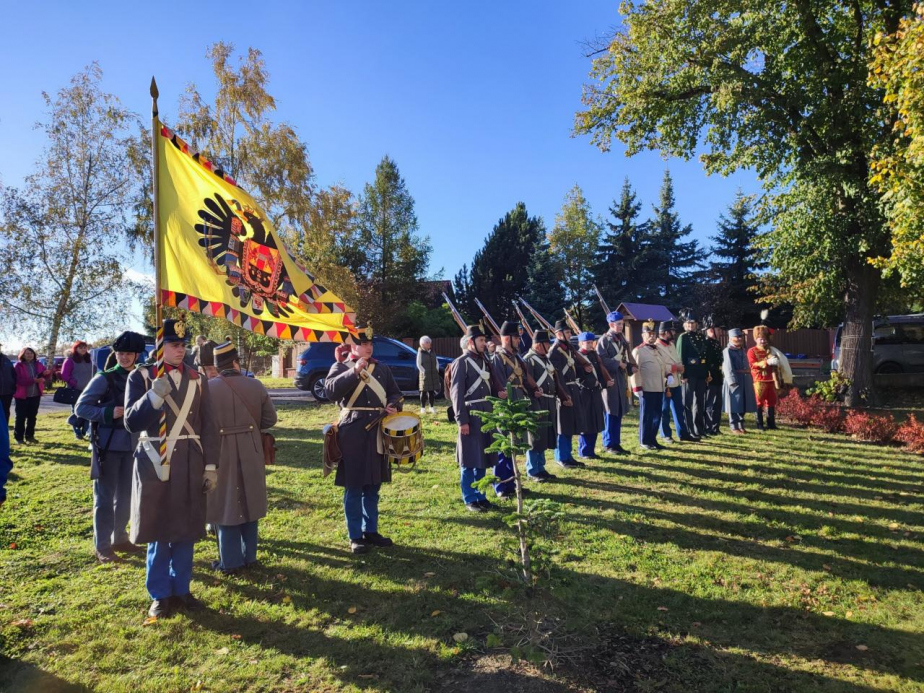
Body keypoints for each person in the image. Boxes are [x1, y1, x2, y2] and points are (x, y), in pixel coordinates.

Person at [124, 318, 219, 619]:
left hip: (190, 459)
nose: (181, 349)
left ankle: (182, 589)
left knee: (186, 528)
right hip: (154, 458)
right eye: (174, 344)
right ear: (160, 346)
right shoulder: (140, 376)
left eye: (183, 344)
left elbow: (209, 426)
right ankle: (160, 594)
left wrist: (211, 466)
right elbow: (130, 423)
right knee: (158, 529)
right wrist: (152, 396)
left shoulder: (197, 378)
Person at [324, 323, 403, 553]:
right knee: (354, 485)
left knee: (373, 485)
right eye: (363, 343)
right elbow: (330, 392)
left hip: (377, 431)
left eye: (369, 344)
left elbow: (396, 393)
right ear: (353, 345)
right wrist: (354, 371)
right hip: (353, 432)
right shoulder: (341, 366)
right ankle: (355, 535)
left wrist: (394, 406)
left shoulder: (382, 369)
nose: (368, 348)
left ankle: (372, 530)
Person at [76, 331, 147, 563]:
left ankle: (120, 537)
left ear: (137, 355)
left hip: (133, 444)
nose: (124, 357)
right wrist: (108, 412)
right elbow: (81, 408)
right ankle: (103, 545)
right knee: (105, 498)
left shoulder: (142, 377)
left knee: (127, 495)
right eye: (120, 353)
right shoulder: (103, 378)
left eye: (128, 353)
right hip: (107, 445)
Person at [207, 341, 277, 573]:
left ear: (216, 366)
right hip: (252, 447)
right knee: (251, 499)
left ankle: (231, 561)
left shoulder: (207, 388)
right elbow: (270, 420)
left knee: (223, 502)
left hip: (219, 449)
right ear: (236, 362)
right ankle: (250, 556)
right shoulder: (255, 385)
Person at [450, 324, 502, 512]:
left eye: (484, 340)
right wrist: (462, 420)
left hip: (486, 412)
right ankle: (470, 497)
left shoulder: (484, 361)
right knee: (469, 459)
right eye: (480, 340)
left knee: (484, 457)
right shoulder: (461, 362)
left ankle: (481, 495)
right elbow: (456, 394)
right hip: (470, 414)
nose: (484, 343)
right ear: (470, 342)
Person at [490, 322, 543, 498]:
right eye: (515, 337)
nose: (519, 340)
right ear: (507, 338)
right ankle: (501, 487)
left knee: (513, 446)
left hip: (519, 402)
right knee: (504, 447)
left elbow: (524, 379)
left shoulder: (516, 357)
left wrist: (534, 390)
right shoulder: (497, 358)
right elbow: (498, 383)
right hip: (506, 406)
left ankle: (512, 484)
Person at [522, 330, 568, 483]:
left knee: (544, 436)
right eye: (546, 343)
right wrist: (533, 393)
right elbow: (525, 381)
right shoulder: (529, 360)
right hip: (536, 402)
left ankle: (541, 467)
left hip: (549, 401)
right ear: (538, 344)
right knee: (535, 437)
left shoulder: (545, 360)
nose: (549, 345)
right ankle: (533, 469)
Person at [549, 320, 593, 469]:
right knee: (562, 426)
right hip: (563, 391)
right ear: (559, 334)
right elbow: (557, 376)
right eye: (567, 332)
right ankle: (561, 457)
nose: (570, 334)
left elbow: (573, 369)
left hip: (573, 389)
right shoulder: (555, 351)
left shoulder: (568, 349)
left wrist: (584, 369)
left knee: (570, 425)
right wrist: (563, 395)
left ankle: (568, 456)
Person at [596, 311, 635, 455]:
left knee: (618, 413)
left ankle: (616, 443)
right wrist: (617, 364)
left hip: (620, 379)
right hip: (609, 381)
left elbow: (626, 357)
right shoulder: (604, 340)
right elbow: (601, 360)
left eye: (622, 323)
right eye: (618, 324)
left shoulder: (621, 339)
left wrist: (631, 367)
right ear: (611, 324)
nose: (621, 326)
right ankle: (608, 444)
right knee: (610, 412)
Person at [631, 321, 669, 451]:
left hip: (659, 387)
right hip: (646, 388)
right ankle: (644, 440)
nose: (652, 336)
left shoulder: (658, 349)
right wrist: (636, 388)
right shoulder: (638, 351)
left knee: (657, 415)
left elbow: (662, 365)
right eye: (649, 334)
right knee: (647, 416)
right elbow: (635, 371)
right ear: (643, 335)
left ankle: (653, 439)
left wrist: (668, 375)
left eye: (653, 334)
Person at [656, 322, 694, 444]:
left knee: (679, 409)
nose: (673, 333)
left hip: (676, 381)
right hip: (665, 382)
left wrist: (681, 368)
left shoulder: (671, 345)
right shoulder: (656, 346)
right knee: (664, 410)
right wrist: (674, 367)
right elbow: (659, 364)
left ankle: (683, 433)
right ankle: (666, 434)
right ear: (665, 332)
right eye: (671, 331)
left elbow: (677, 359)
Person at [577, 332, 610, 459]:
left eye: (591, 342)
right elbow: (577, 375)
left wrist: (604, 382)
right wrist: (590, 382)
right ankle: (584, 451)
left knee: (596, 420)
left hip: (596, 391)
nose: (590, 345)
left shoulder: (594, 355)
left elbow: (600, 372)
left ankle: (591, 450)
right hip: (584, 392)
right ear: (581, 343)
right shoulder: (577, 357)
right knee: (587, 422)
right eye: (588, 342)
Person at [675, 313, 708, 438]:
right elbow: (680, 357)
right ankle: (689, 430)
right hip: (688, 374)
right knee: (687, 403)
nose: (690, 325)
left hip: (700, 373)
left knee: (700, 402)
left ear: (696, 324)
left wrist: (706, 373)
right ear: (685, 325)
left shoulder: (701, 337)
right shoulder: (683, 337)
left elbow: (704, 356)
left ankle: (699, 429)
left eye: (693, 323)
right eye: (688, 323)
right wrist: (683, 374)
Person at [722, 328, 756, 434]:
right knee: (734, 404)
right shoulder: (727, 351)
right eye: (737, 337)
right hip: (734, 380)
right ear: (731, 338)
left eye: (740, 336)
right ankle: (734, 426)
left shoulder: (742, 350)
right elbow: (727, 367)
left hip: (745, 379)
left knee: (743, 404)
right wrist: (732, 381)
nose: (739, 339)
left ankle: (741, 425)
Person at [747, 325, 780, 431]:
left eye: (765, 339)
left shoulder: (770, 350)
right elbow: (753, 365)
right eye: (761, 339)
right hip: (759, 379)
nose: (763, 341)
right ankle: (759, 424)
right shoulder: (752, 351)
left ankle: (771, 424)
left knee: (771, 402)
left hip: (771, 379)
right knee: (758, 402)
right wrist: (766, 362)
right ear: (756, 339)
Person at [13, 348, 48, 445]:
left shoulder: (38, 364)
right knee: (20, 417)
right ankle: (19, 438)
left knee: (32, 417)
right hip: (22, 396)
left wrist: (46, 374)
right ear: (22, 355)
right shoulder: (18, 366)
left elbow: (44, 376)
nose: (29, 355)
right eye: (27, 353)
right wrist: (34, 381)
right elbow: (18, 381)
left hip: (35, 395)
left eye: (31, 353)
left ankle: (30, 436)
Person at [62, 341, 94, 440]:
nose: (83, 349)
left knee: (87, 411)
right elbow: (64, 375)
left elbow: (95, 371)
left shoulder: (90, 359)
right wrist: (75, 383)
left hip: (89, 390)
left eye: (85, 347)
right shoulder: (70, 360)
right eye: (81, 347)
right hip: (75, 390)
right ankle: (77, 432)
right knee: (76, 412)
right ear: (75, 349)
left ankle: (85, 431)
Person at [703, 325, 724, 435]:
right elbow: (705, 361)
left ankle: (716, 427)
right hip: (710, 376)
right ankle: (708, 427)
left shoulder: (716, 343)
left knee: (718, 403)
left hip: (718, 375)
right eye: (718, 329)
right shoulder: (705, 343)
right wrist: (707, 374)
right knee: (709, 403)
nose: (720, 331)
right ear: (711, 330)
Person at [416, 336, 439, 414]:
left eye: (429, 342)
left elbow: (436, 361)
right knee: (423, 391)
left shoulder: (432, 351)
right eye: (428, 342)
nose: (429, 344)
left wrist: (437, 369)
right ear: (423, 344)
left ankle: (431, 407)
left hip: (433, 374)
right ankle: (422, 408)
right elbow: (418, 364)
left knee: (431, 391)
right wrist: (424, 371)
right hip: (424, 375)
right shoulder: (420, 352)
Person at [0, 343, 15, 425]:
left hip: (7, 392)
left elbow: (13, 374)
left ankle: (4, 430)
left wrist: (13, 387)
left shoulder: (6, 359)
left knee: (5, 412)